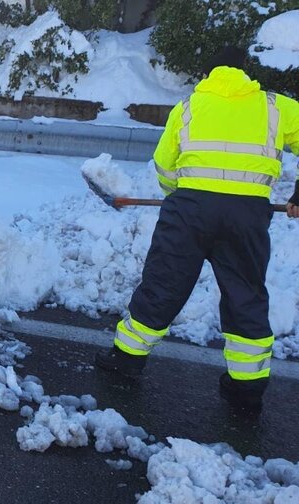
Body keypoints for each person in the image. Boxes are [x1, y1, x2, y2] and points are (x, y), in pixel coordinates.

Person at [95, 46, 299, 410]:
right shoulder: (274, 107)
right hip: (248, 215)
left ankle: (127, 360)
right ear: (245, 72)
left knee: (163, 282)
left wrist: (184, 196)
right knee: (245, 293)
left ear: (206, 74)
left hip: (188, 211)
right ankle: (247, 388)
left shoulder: (188, 108)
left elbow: (164, 167)